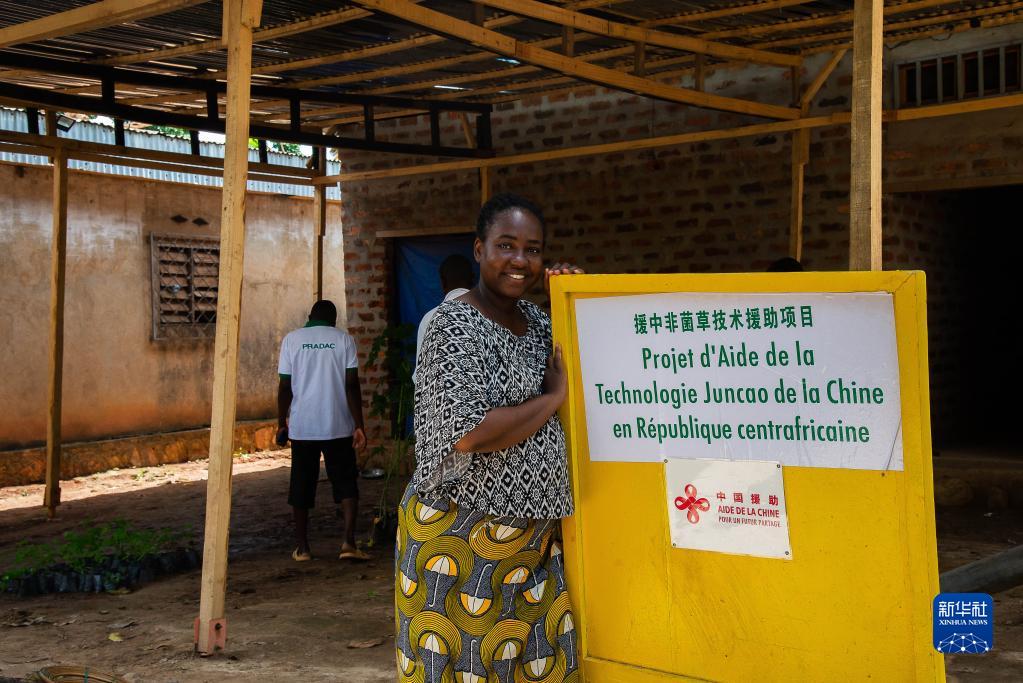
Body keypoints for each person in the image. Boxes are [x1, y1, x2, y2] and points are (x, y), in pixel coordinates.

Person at [395, 193, 583, 681]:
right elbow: (470, 433)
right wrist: (552, 398)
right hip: (459, 540)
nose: (520, 260)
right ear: (479, 250)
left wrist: (573, 299)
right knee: (464, 670)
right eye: (506, 245)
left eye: (533, 250)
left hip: (533, 542)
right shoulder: (452, 325)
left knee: (546, 666)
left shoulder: (539, 323)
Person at [277, 300, 369, 562]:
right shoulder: (344, 340)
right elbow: (352, 384)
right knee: (346, 482)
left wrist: (281, 422)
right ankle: (348, 542)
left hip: (303, 428)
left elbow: (285, 386)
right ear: (334, 320)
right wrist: (359, 425)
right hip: (338, 425)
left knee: (301, 484)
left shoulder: (292, 340)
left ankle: (303, 548)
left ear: (310, 317)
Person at [415, 253, 474, 362]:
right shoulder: (492, 317)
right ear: (473, 279)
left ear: (442, 282)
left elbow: (421, 370)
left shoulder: (429, 319)